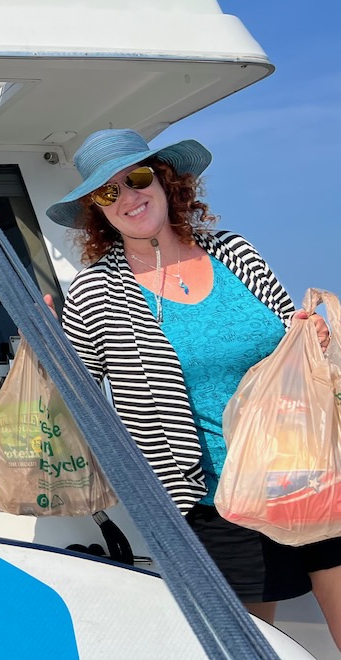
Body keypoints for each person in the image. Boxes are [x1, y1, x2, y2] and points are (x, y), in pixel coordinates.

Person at [44, 128, 341, 643]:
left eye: (137, 179)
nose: (128, 197)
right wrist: (49, 351)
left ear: (165, 180)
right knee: (248, 647)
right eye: (108, 191)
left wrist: (311, 332)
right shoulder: (95, 290)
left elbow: (290, 332)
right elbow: (75, 396)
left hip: (307, 474)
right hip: (214, 500)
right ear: (98, 209)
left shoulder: (235, 253)